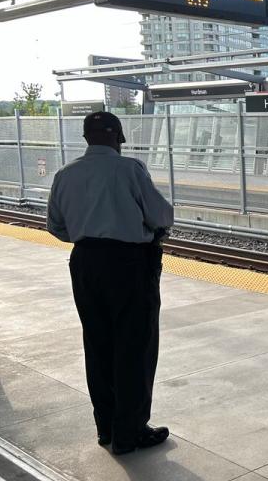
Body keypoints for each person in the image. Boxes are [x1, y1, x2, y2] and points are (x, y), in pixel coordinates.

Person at [46, 111, 173, 455]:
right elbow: (162, 215)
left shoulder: (65, 175)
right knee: (134, 347)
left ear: (86, 139)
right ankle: (129, 433)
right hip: (129, 264)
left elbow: (56, 226)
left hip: (85, 262)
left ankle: (106, 428)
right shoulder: (130, 169)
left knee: (98, 344)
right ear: (118, 138)